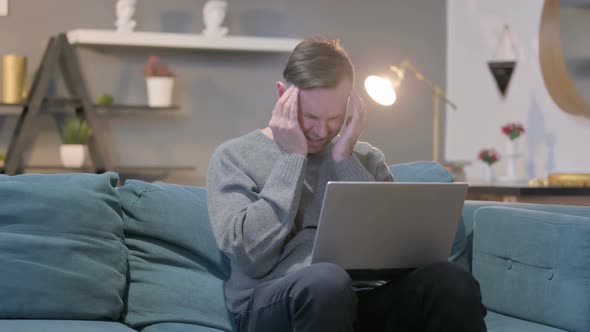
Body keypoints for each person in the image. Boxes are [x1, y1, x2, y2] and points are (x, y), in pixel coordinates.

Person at [207, 36, 487, 332]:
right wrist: (292, 158)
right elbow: (250, 257)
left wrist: (343, 158)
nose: (321, 130)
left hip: (359, 300)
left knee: (450, 280)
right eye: (310, 116)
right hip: (271, 304)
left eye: (335, 118)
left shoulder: (363, 157)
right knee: (326, 281)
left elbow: (395, 249)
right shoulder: (234, 157)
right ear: (282, 95)